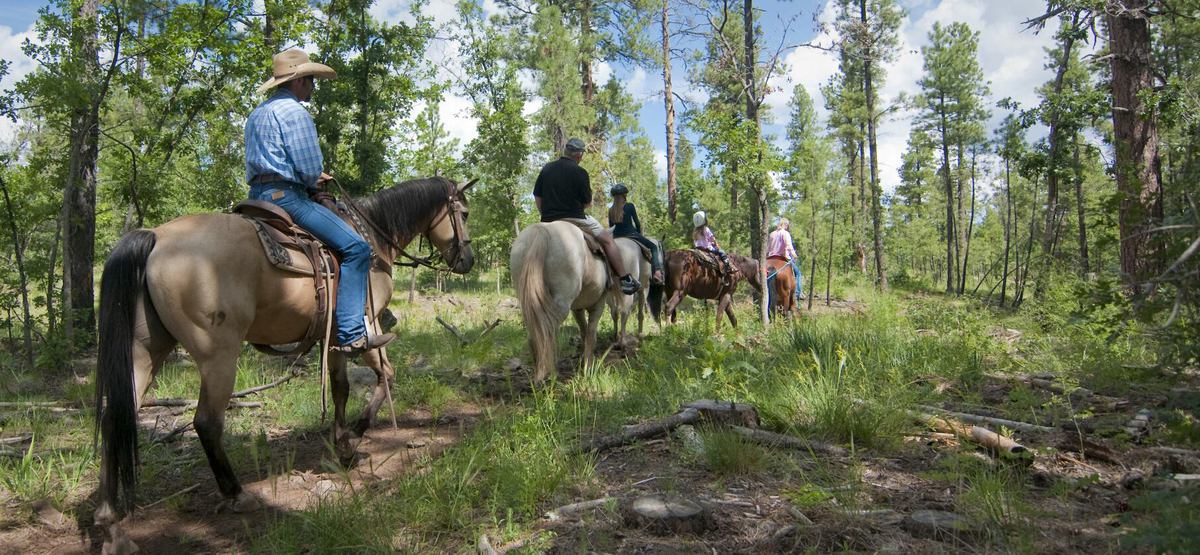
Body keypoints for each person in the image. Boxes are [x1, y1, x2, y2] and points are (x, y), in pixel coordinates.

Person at [245, 48, 393, 355]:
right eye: (310, 79)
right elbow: (309, 169)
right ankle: (352, 333)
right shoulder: (295, 113)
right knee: (357, 249)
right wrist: (317, 178)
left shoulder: (258, 113)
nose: (313, 85)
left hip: (256, 197)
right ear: (298, 82)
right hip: (288, 198)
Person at [534, 138, 640, 295]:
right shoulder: (580, 172)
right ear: (578, 154)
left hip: (548, 220)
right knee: (607, 239)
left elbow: (538, 197)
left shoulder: (547, 169)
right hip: (575, 219)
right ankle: (625, 279)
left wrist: (546, 214)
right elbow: (588, 203)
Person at [607, 183, 664, 285]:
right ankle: (657, 272)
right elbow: (637, 223)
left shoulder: (610, 210)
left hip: (616, 237)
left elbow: (611, 228)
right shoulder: (630, 206)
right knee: (654, 247)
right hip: (631, 234)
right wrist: (639, 234)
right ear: (624, 196)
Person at [692, 211, 736, 283]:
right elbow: (712, 239)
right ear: (704, 220)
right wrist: (716, 245)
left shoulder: (695, 231)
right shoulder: (705, 229)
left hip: (698, 248)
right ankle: (727, 266)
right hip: (707, 248)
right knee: (722, 252)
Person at [767, 218, 803, 302]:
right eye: (787, 226)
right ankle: (798, 293)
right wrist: (794, 255)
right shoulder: (785, 233)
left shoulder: (772, 234)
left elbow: (768, 248)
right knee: (798, 273)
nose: (787, 227)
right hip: (783, 257)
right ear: (785, 225)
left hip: (770, 258)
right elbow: (788, 245)